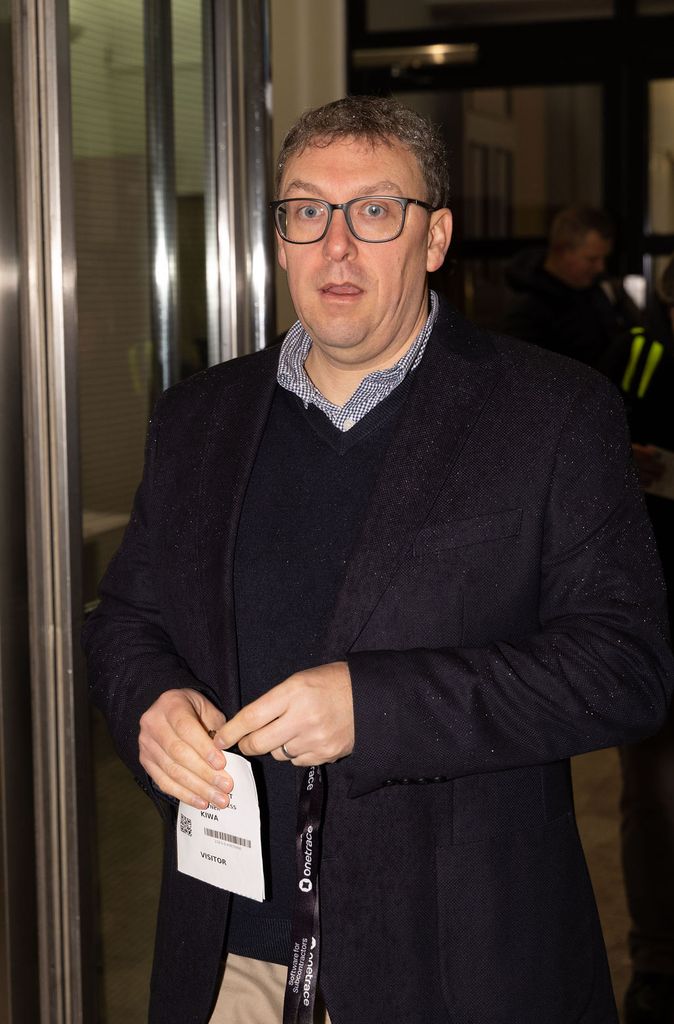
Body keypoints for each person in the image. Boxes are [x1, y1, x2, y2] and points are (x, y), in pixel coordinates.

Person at [82, 96, 674, 1024]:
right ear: (280, 238)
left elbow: (624, 670)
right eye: (307, 211)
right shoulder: (198, 419)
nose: (337, 246)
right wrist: (150, 705)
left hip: (457, 963)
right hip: (231, 953)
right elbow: (126, 620)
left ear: (434, 238)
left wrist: (375, 707)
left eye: (374, 211)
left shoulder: (554, 414)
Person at [620, 256, 674, 1024]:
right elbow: (615, 445)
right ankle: (657, 963)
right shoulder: (641, 351)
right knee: (655, 798)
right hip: (657, 608)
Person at [505, 205, 639, 383]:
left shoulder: (602, 290)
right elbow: (526, 377)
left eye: (604, 258)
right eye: (592, 259)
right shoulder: (527, 309)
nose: (600, 267)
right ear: (563, 252)